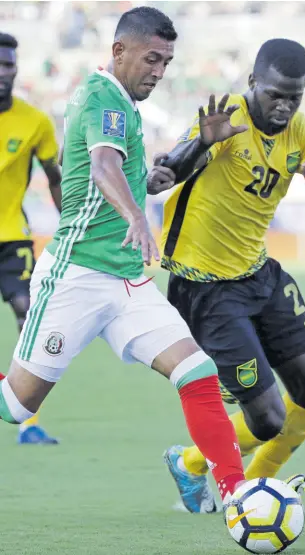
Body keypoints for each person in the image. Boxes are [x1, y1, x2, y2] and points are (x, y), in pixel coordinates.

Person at [0, 7, 247, 514]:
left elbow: (130, 171)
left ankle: (238, 496)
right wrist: (136, 215)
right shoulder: (102, 96)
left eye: (167, 61)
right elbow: (102, 164)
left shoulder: (125, 106)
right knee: (15, 405)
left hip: (128, 282)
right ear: (119, 51)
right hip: (77, 276)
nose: (159, 71)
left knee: (197, 371)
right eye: (151, 59)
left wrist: (196, 146)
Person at [148, 38, 305, 513]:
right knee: (266, 420)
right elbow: (167, 173)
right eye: (275, 94)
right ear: (253, 81)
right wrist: (203, 141)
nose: (283, 106)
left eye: (294, 97)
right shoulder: (225, 118)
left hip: (259, 275)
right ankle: (191, 463)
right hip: (206, 288)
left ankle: (254, 492)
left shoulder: (304, 132)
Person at [0, 32, 62, 444]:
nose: (3, 72)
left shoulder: (34, 121)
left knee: (28, 311)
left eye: (8, 64)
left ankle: (29, 421)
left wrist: (72, 229)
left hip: (12, 237)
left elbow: (56, 179)